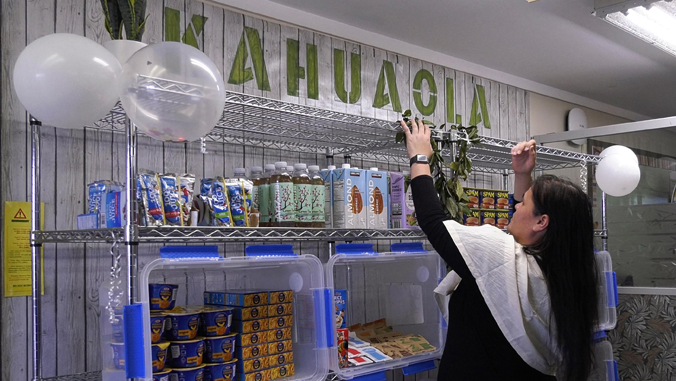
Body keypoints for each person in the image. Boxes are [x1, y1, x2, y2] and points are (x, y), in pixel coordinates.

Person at [401, 119, 599, 381]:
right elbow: (516, 247)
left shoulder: (502, 260)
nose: (515, 207)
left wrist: (419, 156)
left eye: (523, 204)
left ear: (542, 222)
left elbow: (433, 222)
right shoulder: (560, 275)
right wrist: (522, 176)